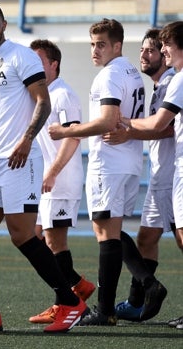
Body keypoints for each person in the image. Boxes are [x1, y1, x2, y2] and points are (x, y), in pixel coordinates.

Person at [0, 3, 87, 334]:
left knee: (21, 234)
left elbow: (43, 101)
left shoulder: (21, 56)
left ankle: (70, 302)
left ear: (4, 25)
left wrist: (26, 141)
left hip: (20, 160)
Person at [48, 18, 167, 326]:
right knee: (110, 231)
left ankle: (109, 309)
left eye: (101, 44)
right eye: (92, 44)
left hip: (109, 163)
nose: (95, 50)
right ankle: (140, 288)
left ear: (116, 45)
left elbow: (107, 120)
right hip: (129, 161)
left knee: (104, 234)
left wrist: (66, 131)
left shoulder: (110, 74)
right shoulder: (130, 71)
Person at [102, 28, 180, 322]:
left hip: (173, 176)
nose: (144, 56)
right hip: (161, 174)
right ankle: (138, 300)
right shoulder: (161, 85)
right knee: (146, 238)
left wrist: (127, 128)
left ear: (165, 53)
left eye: (152, 50)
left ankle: (145, 294)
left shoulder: (173, 80)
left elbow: (166, 127)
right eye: (143, 50)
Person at [27, 39, 95, 325]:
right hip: (47, 181)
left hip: (61, 179)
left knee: (54, 241)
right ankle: (77, 287)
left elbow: (73, 137)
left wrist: (53, 171)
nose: (34, 67)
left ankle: (68, 303)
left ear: (53, 64)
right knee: (34, 236)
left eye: (39, 61)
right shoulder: (42, 94)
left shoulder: (63, 94)